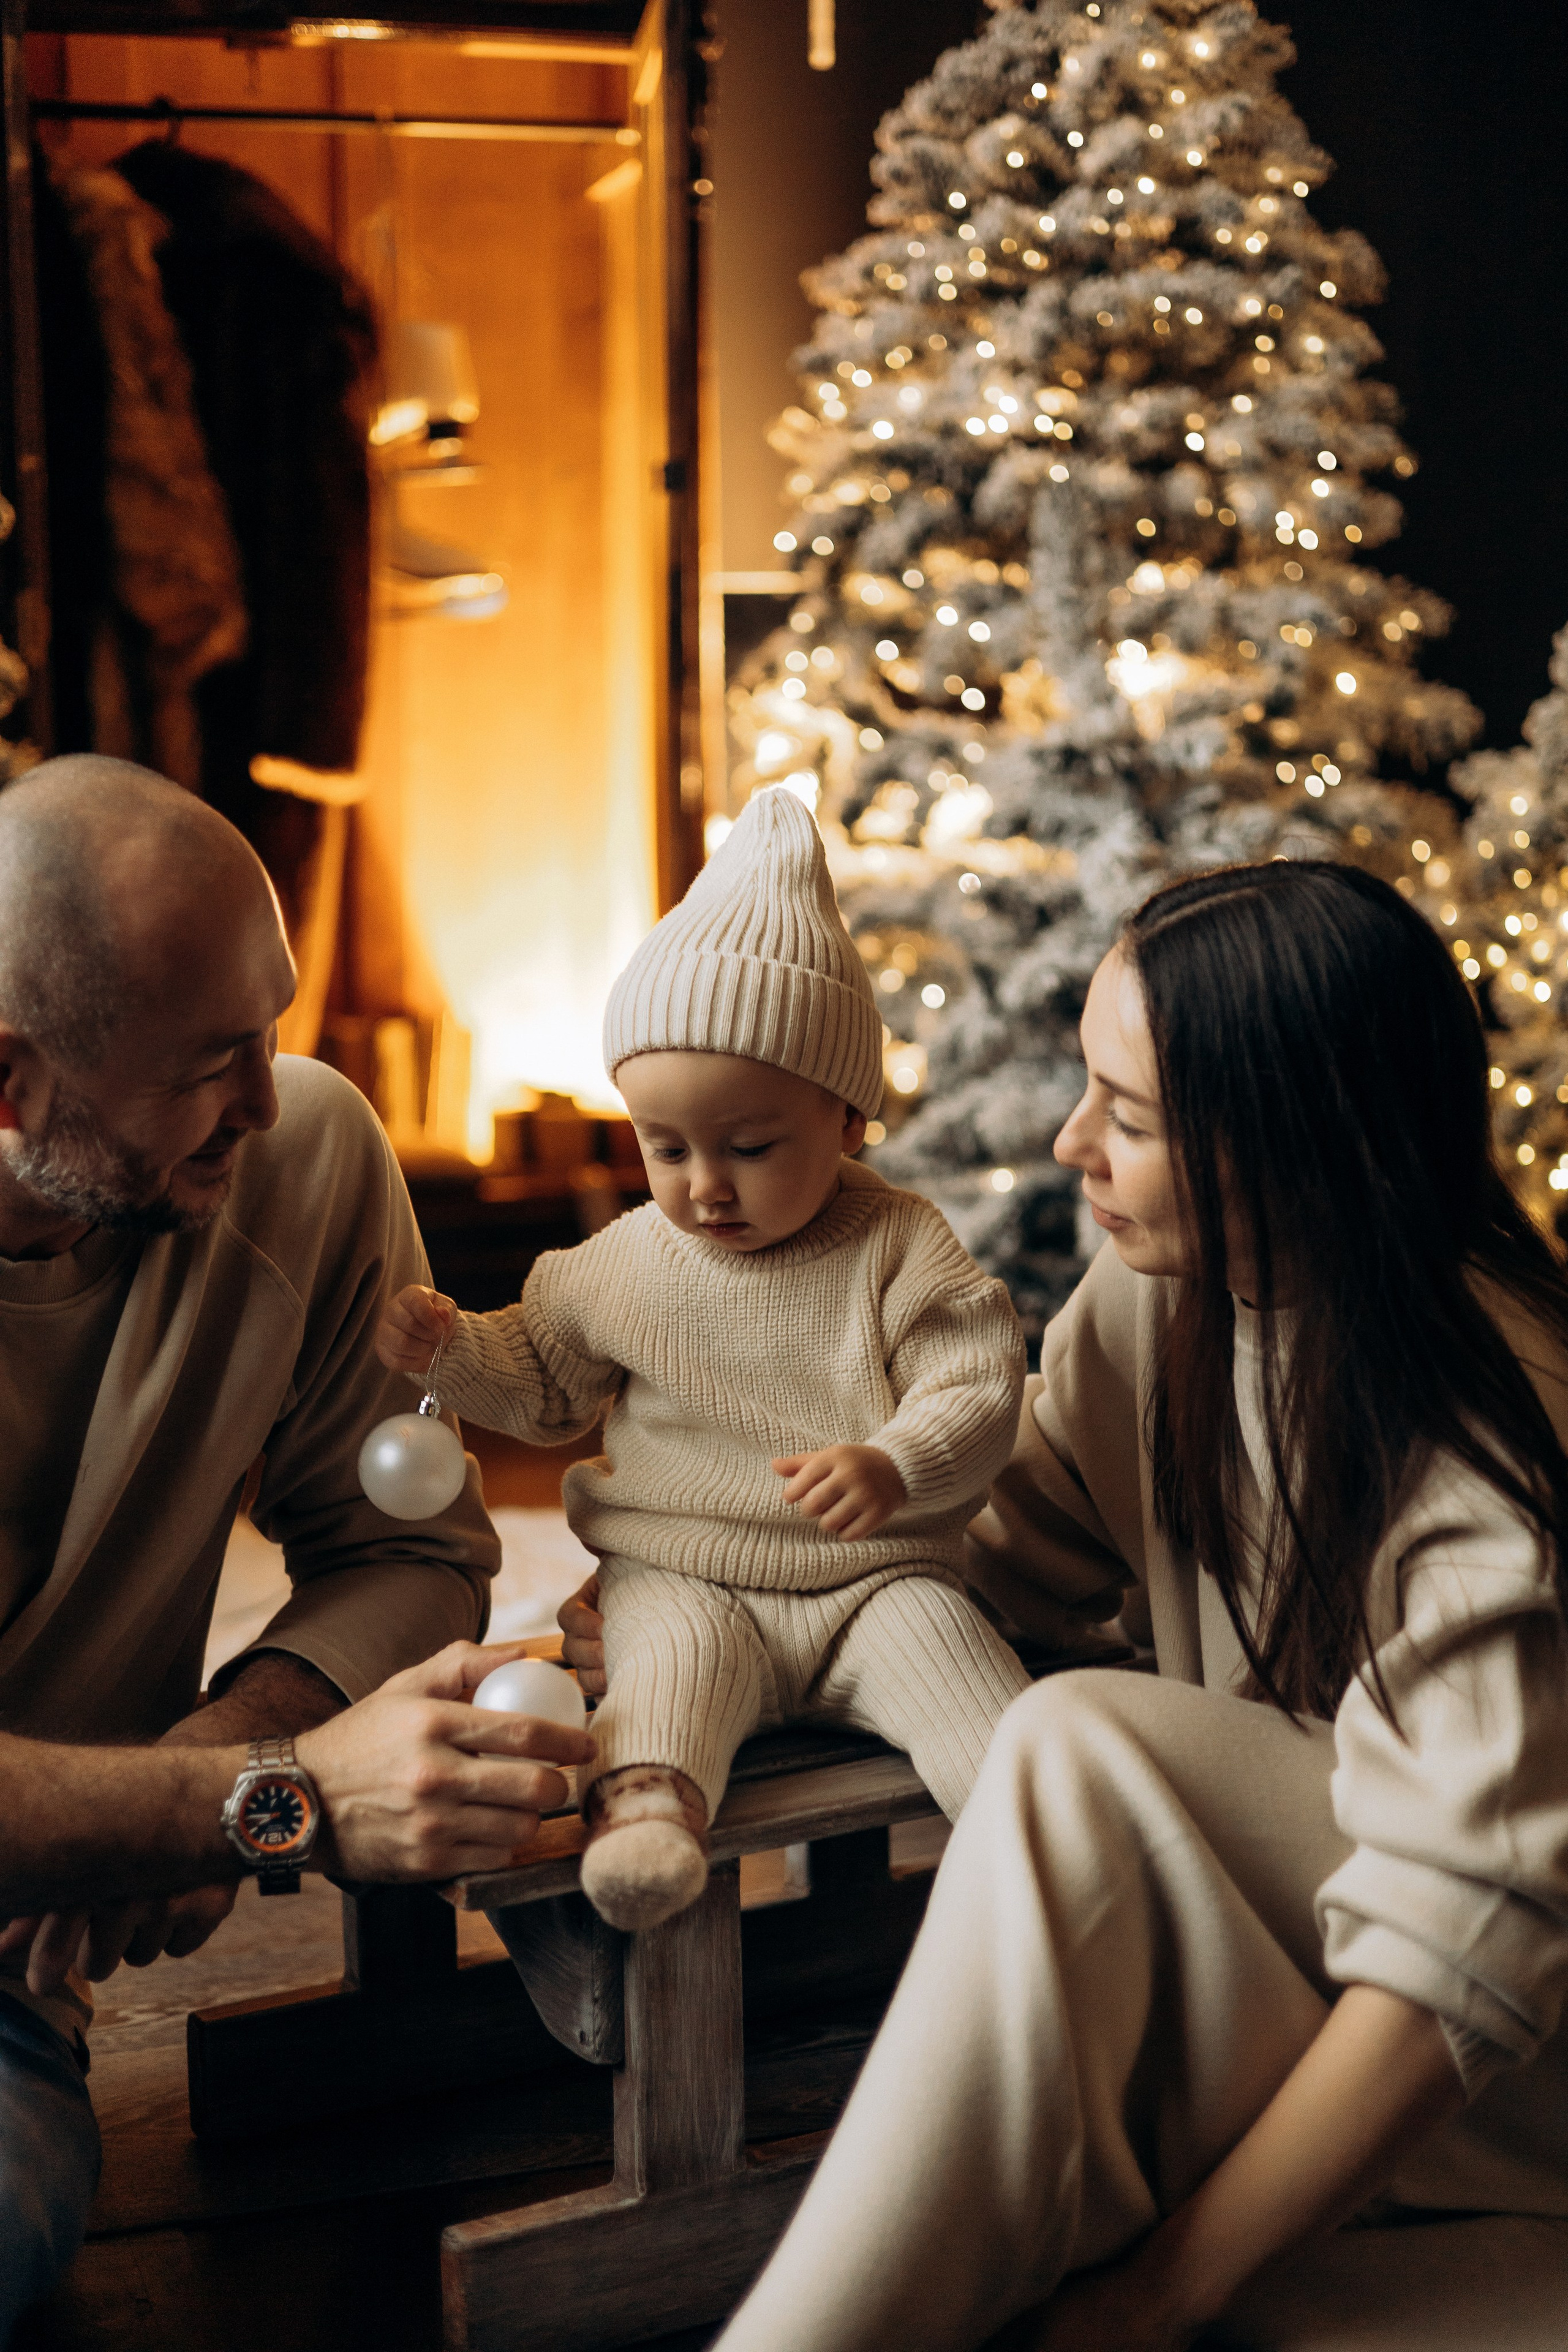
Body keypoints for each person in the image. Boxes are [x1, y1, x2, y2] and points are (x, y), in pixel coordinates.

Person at [568, 859, 1568, 2350]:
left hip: (1489, 2072)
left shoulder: (1481, 1436)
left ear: (1300, 1146)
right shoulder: (1150, 1302)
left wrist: (1163, 2296)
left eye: (1134, 1118)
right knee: (1061, 1734)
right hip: (1308, 1949)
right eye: (1084, 1088)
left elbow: (1468, 1956)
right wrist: (711, 1591)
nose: (1070, 1144)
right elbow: (989, 1561)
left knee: (1069, 1740)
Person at [0, 755, 583, 2342]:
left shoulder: (300, 1156)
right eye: (210, 1061)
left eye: (274, 1027)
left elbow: (419, 1552)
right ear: (13, 1084)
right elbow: (273, 1808)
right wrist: (271, 1800)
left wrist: (230, 1736)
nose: (266, 1100)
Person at [377, 785, 1028, 1934]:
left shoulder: (899, 1244)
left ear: (847, 1119)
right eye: (663, 1148)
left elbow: (976, 1386)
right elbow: (540, 1381)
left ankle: (1042, 1840)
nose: (704, 1186)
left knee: (968, 1682)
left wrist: (895, 1461)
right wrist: (458, 1352)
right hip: (691, 1576)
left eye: (751, 1146)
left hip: (874, 1578)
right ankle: (645, 1821)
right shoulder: (623, 1265)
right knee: (665, 1682)